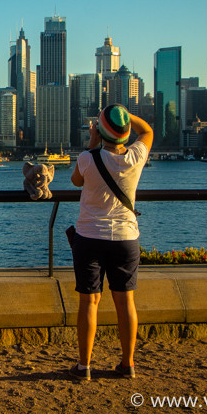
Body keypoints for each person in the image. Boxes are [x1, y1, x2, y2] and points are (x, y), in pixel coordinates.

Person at [68, 104, 153, 381]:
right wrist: (126, 117)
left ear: (101, 131)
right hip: (126, 238)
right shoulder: (136, 156)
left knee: (89, 302)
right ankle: (127, 364)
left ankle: (84, 366)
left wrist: (93, 141)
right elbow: (147, 130)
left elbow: (76, 181)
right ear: (125, 133)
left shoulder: (86, 159)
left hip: (89, 237)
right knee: (126, 301)